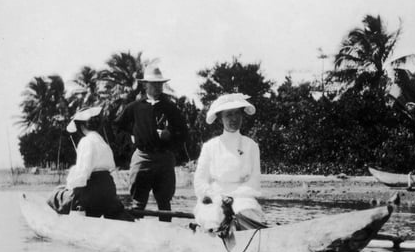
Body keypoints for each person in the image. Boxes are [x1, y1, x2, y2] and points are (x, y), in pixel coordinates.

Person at [114, 67, 188, 221]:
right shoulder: (135, 107)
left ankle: (166, 235)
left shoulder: (170, 107)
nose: (157, 87)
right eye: (153, 84)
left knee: (164, 202)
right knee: (138, 202)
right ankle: (136, 235)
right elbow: (117, 127)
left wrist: (170, 136)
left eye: (160, 84)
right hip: (142, 157)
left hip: (165, 159)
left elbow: (184, 133)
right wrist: (131, 140)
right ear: (145, 85)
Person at [193, 93, 266, 229]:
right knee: (213, 217)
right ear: (221, 118)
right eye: (228, 115)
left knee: (247, 214)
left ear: (242, 115)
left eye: (237, 113)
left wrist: (233, 199)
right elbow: (200, 182)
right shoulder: (210, 146)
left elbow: (254, 181)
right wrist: (217, 198)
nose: (234, 119)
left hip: (243, 198)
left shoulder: (251, 146)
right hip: (215, 198)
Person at [47, 106, 133, 221]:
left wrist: (69, 187)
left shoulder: (86, 142)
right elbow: (111, 167)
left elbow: (83, 173)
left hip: (92, 192)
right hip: (108, 190)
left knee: (56, 195)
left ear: (81, 126)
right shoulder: (103, 143)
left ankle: (62, 220)